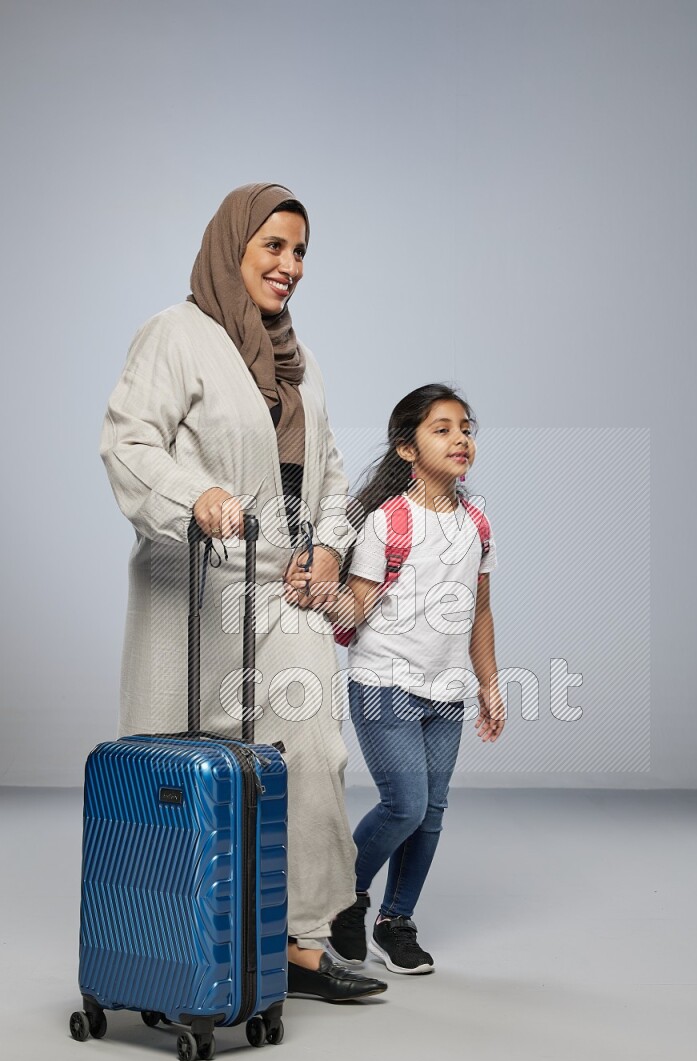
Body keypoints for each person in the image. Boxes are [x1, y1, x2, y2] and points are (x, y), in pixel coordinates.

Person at [100, 182, 386, 1002]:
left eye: (300, 252)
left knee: (312, 748)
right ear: (234, 245)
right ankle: (166, 940)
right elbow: (130, 442)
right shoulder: (174, 335)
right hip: (192, 587)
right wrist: (195, 495)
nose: (290, 265)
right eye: (274, 246)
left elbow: (330, 474)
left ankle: (300, 941)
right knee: (176, 757)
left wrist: (329, 549)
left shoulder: (301, 361)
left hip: (283, 590)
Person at [327, 384, 505, 974]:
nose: (460, 439)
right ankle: (341, 900)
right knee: (405, 804)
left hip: (447, 691)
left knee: (430, 812)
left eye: (465, 428)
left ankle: (394, 921)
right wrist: (320, 595)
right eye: (442, 429)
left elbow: (480, 611)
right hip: (385, 681)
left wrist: (489, 684)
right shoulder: (388, 522)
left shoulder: (477, 523)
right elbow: (355, 608)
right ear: (407, 449)